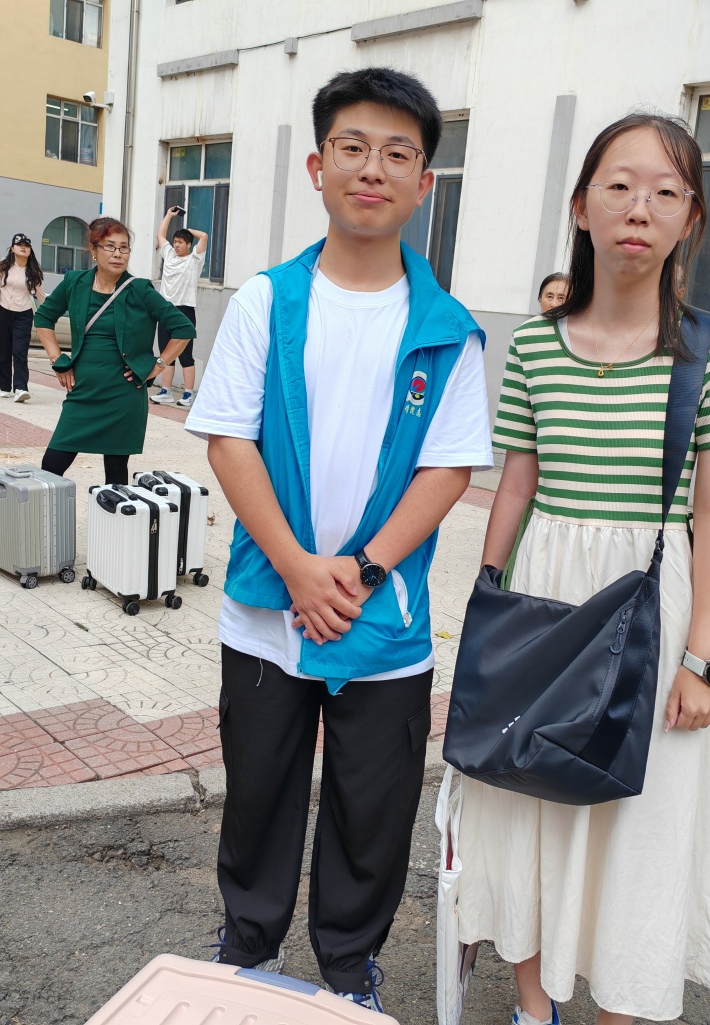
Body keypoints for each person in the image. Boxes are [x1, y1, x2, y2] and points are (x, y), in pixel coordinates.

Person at [184, 68, 491, 1012]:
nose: (373, 169)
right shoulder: (266, 301)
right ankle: (246, 951)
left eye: (398, 154)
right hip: (267, 609)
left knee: (372, 810)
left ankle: (350, 972)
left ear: (424, 183)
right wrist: (296, 568)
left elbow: (448, 469)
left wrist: (355, 570)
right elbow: (228, 439)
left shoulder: (447, 329)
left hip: (382, 614)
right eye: (352, 147)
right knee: (259, 792)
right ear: (319, 167)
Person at [456, 113, 710, 1025]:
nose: (639, 208)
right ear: (581, 205)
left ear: (690, 219)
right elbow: (516, 484)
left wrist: (706, 656)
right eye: (619, 186)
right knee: (526, 802)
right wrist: (486, 606)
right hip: (544, 590)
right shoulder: (534, 345)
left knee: (642, 823)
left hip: (654, 599)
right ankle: (532, 1004)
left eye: (666, 192)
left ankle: (617, 1008)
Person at [33, 216, 192, 485]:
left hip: (124, 394)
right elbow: (43, 317)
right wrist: (57, 358)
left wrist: (157, 366)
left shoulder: (140, 289)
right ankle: (46, 513)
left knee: (116, 471)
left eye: (124, 247)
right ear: (93, 250)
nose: (118, 254)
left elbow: (183, 329)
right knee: (51, 465)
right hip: (83, 392)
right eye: (110, 246)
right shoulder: (74, 282)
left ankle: (115, 513)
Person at [0, 233, 46, 402]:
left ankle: (21, 388)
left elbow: (40, 294)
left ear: (30, 251)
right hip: (2, 311)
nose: (23, 247)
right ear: (13, 249)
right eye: (19, 244)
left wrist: (49, 311)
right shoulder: (4, 265)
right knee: (3, 351)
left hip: (24, 314)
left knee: (20, 351)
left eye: (27, 245)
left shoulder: (33, 271)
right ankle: (4, 386)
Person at [150, 207, 206, 406]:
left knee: (185, 354)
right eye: (175, 242)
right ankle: (166, 391)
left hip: (184, 310)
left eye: (180, 242)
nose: (176, 245)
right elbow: (160, 235)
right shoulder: (169, 256)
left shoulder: (194, 260)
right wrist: (169, 215)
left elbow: (204, 236)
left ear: (189, 245)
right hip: (166, 310)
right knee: (166, 353)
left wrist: (187, 230)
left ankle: (188, 394)